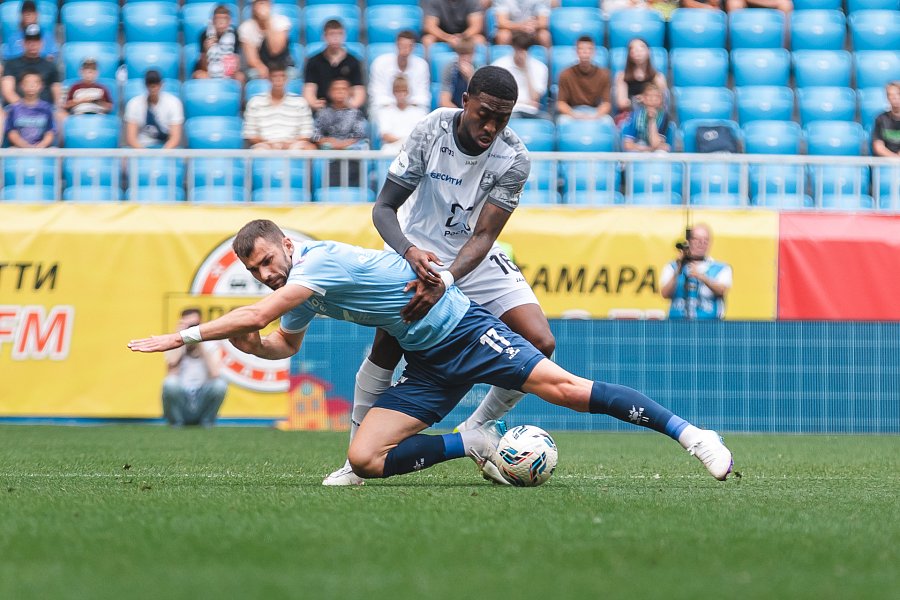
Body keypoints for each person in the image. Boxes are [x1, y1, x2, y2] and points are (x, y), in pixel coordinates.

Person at [128, 219, 735, 485]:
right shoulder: (301, 288)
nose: (265, 274)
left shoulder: (317, 263)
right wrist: (245, 342)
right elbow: (279, 343)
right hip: (426, 360)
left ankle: (691, 434)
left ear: (285, 244)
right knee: (365, 457)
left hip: (464, 331)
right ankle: (471, 442)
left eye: (266, 261)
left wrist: (186, 335)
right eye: (255, 271)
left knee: (569, 391)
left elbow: (261, 314)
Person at [324, 66, 556, 486]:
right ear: (465, 101)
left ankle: (477, 428)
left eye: (502, 119)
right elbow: (383, 209)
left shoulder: (515, 157)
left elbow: (484, 236)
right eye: (484, 114)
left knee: (541, 342)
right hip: (417, 252)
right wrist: (409, 252)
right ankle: (353, 464)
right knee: (386, 349)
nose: (491, 127)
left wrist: (446, 281)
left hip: (473, 257)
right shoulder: (432, 129)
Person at [161, 308, 227, 427]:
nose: (191, 330)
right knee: (170, 383)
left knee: (220, 385)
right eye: (188, 326)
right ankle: (176, 422)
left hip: (202, 397)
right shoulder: (172, 343)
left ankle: (207, 421)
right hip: (182, 399)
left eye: (195, 326)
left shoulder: (212, 344)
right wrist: (180, 339)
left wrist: (200, 341)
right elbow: (171, 368)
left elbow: (215, 373)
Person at [660, 223, 732, 320]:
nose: (701, 244)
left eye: (705, 240)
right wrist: (678, 269)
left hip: (709, 326)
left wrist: (701, 276)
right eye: (696, 239)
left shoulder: (721, 268)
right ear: (688, 241)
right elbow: (665, 294)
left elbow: (722, 290)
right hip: (677, 325)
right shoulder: (673, 267)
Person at [242, 63, 315, 150]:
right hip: (264, 145)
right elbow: (250, 134)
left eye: (282, 76)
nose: (279, 80)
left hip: (294, 145)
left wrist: (287, 145)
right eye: (274, 76)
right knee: (260, 150)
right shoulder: (255, 102)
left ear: (286, 79)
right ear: (268, 79)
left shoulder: (300, 103)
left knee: (305, 148)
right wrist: (270, 144)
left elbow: (306, 133)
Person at [313, 78, 368, 187]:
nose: (340, 92)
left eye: (343, 89)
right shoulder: (322, 113)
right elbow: (316, 135)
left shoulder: (356, 114)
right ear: (329, 92)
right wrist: (331, 142)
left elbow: (359, 135)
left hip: (351, 156)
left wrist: (341, 145)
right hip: (328, 155)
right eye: (336, 89)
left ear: (349, 92)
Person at [303, 20, 366, 112]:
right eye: (332, 34)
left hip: (347, 109)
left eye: (339, 34)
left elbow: (359, 91)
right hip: (322, 109)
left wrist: (351, 105)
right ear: (324, 36)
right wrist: (314, 104)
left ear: (344, 36)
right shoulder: (314, 61)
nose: (336, 38)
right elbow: (309, 89)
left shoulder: (353, 61)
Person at [368, 30, 430, 116]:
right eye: (402, 45)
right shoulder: (380, 63)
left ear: (414, 47)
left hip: (413, 110)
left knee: (420, 115)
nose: (405, 49)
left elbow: (422, 96)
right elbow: (377, 94)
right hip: (386, 109)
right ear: (397, 45)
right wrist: (396, 105)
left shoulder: (421, 65)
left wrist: (405, 105)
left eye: (409, 46)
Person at [490, 32, 548, 119]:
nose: (521, 53)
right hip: (508, 110)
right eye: (518, 49)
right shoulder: (498, 65)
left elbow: (535, 98)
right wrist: (522, 102)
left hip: (531, 111)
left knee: (547, 119)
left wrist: (526, 70)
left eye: (525, 49)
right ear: (513, 48)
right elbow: (496, 97)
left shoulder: (540, 67)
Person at [556, 36, 613, 123]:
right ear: (576, 51)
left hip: (595, 111)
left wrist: (596, 115)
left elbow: (606, 103)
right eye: (581, 49)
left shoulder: (604, 74)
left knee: (608, 121)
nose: (585, 52)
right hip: (572, 111)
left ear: (594, 52)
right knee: (562, 121)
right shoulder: (565, 74)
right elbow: (561, 103)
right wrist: (574, 115)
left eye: (589, 49)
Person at [1, 24, 60, 108]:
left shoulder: (50, 65)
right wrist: (25, 109)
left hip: (45, 109)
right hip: (16, 109)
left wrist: (57, 108)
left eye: (36, 41)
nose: (32, 44)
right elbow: (8, 91)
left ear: (42, 43)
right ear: (23, 43)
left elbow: (56, 90)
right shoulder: (11, 64)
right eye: (29, 41)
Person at [124, 70, 184, 150]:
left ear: (161, 84)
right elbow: (131, 138)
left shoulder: (174, 103)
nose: (153, 88)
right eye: (150, 84)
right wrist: (144, 153)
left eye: (156, 84)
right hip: (141, 147)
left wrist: (162, 153)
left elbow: (175, 137)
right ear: (145, 85)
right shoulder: (134, 103)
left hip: (166, 148)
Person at [613, 38, 667, 126]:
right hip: (630, 115)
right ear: (629, 54)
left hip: (653, 115)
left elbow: (662, 101)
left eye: (641, 48)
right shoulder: (622, 76)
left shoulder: (658, 77)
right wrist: (639, 100)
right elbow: (622, 103)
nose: (638, 51)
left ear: (648, 51)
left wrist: (645, 100)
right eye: (633, 49)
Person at [238, 0, 295, 81]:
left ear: (269, 4)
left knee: (291, 74)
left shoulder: (281, 21)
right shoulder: (246, 27)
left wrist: (267, 22)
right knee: (252, 74)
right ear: (253, 6)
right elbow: (252, 59)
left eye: (264, 2)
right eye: (259, 3)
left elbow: (275, 50)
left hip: (283, 66)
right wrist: (261, 68)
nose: (261, 6)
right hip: (261, 66)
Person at [192, 4, 245, 85]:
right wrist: (206, 50)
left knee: (240, 77)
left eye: (224, 19)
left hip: (229, 72)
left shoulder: (235, 34)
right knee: (198, 75)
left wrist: (231, 67)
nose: (221, 22)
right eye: (218, 19)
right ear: (213, 20)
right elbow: (202, 67)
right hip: (209, 72)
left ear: (229, 21)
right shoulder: (204, 34)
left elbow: (237, 61)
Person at [377, 76, 429, 155]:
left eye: (403, 91)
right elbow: (385, 136)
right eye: (398, 91)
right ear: (393, 92)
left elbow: (422, 135)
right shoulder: (385, 112)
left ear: (408, 92)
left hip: (413, 149)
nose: (401, 95)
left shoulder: (419, 112)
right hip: (391, 149)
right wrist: (403, 141)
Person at [4, 71, 55, 148]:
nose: (31, 86)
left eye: (35, 83)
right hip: (18, 148)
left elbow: (50, 132)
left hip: (42, 149)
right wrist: (25, 146)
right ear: (21, 85)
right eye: (27, 83)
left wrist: (41, 146)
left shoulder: (47, 108)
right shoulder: (14, 108)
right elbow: (12, 132)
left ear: (41, 86)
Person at [621, 82, 671, 152]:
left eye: (657, 96)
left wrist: (652, 120)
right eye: (649, 96)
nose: (653, 99)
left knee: (661, 153)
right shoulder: (635, 115)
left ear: (661, 99)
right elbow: (628, 145)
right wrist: (648, 149)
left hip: (655, 151)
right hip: (639, 149)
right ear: (643, 98)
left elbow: (655, 144)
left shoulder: (664, 117)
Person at [422, 0, 487, 50]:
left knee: (480, 40)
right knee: (427, 40)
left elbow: (476, 26)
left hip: (466, 36)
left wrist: (462, 37)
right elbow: (430, 26)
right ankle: (426, 63)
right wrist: (447, 38)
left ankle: (477, 64)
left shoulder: (473, 1)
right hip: (442, 36)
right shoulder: (433, 1)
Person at [438, 37, 476, 109]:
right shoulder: (450, 69)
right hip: (454, 110)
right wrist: (460, 113)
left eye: (468, 54)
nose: (465, 58)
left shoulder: (479, 69)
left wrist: (470, 77)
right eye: (462, 54)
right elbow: (444, 101)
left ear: (473, 54)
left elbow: (479, 102)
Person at [872, 82, 900, 159]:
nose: (895, 97)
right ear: (887, 97)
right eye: (891, 95)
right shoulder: (881, 119)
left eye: (898, 94)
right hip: (886, 161)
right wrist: (895, 159)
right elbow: (878, 146)